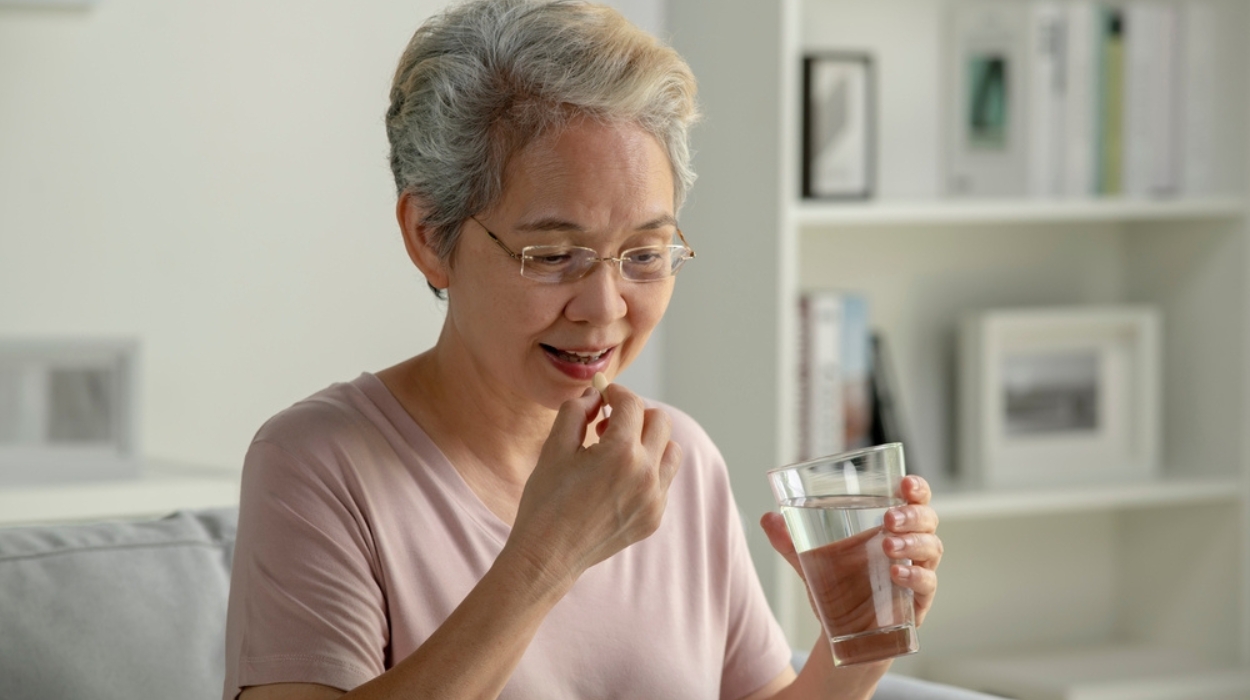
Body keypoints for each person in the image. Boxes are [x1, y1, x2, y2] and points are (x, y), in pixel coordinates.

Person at [222, 1, 944, 698]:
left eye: (644, 253)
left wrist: (856, 646)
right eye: (553, 254)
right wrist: (548, 555)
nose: (605, 309)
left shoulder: (675, 460)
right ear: (429, 236)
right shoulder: (318, 464)